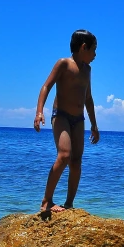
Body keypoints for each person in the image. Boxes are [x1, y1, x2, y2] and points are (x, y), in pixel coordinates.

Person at [34, 29, 100, 213]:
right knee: (64, 155)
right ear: (83, 47)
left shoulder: (87, 69)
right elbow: (46, 86)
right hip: (61, 116)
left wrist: (94, 125)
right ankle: (46, 201)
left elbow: (88, 98)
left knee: (76, 162)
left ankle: (69, 204)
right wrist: (39, 112)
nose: (95, 55)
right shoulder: (64, 64)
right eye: (94, 50)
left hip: (79, 119)